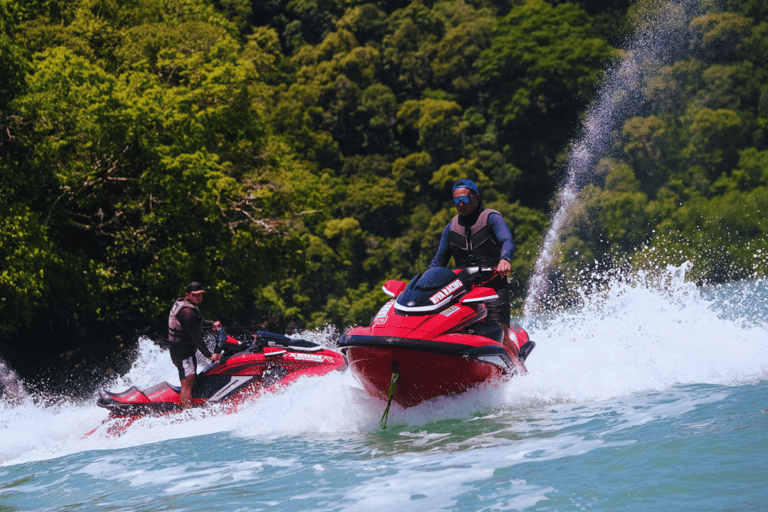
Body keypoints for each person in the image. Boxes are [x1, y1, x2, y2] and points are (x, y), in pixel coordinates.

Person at [429, 179, 523, 356]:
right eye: (456, 200)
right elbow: (438, 260)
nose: (461, 204)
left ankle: (515, 371)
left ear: (477, 197)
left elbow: (507, 241)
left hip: (493, 287)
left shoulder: (491, 218)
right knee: (450, 330)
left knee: (498, 332)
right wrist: (425, 282)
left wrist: (505, 259)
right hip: (464, 290)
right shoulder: (451, 229)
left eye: (465, 199)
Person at [168, 282, 222, 408]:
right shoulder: (188, 312)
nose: (199, 298)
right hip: (183, 353)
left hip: (179, 351)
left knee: (191, 381)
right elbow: (196, 337)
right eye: (195, 295)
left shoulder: (185, 305)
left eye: (201, 295)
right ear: (187, 295)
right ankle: (187, 414)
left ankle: (193, 404)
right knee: (187, 384)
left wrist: (211, 323)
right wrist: (209, 355)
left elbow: (195, 323)